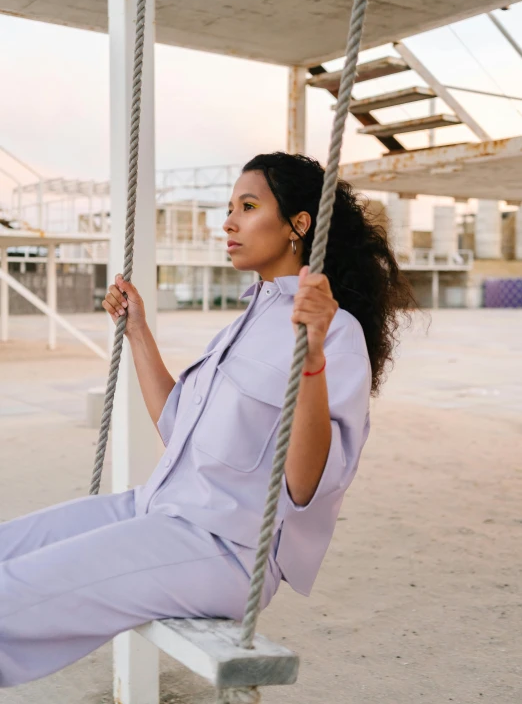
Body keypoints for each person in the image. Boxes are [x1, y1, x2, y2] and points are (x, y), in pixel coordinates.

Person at [0, 152, 413, 687]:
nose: (229, 222)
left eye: (248, 206)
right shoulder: (249, 319)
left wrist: (311, 359)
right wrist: (138, 331)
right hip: (156, 510)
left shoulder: (336, 333)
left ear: (298, 225)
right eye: (230, 207)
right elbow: (179, 429)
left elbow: (306, 483)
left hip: (224, 549)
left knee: (12, 597)